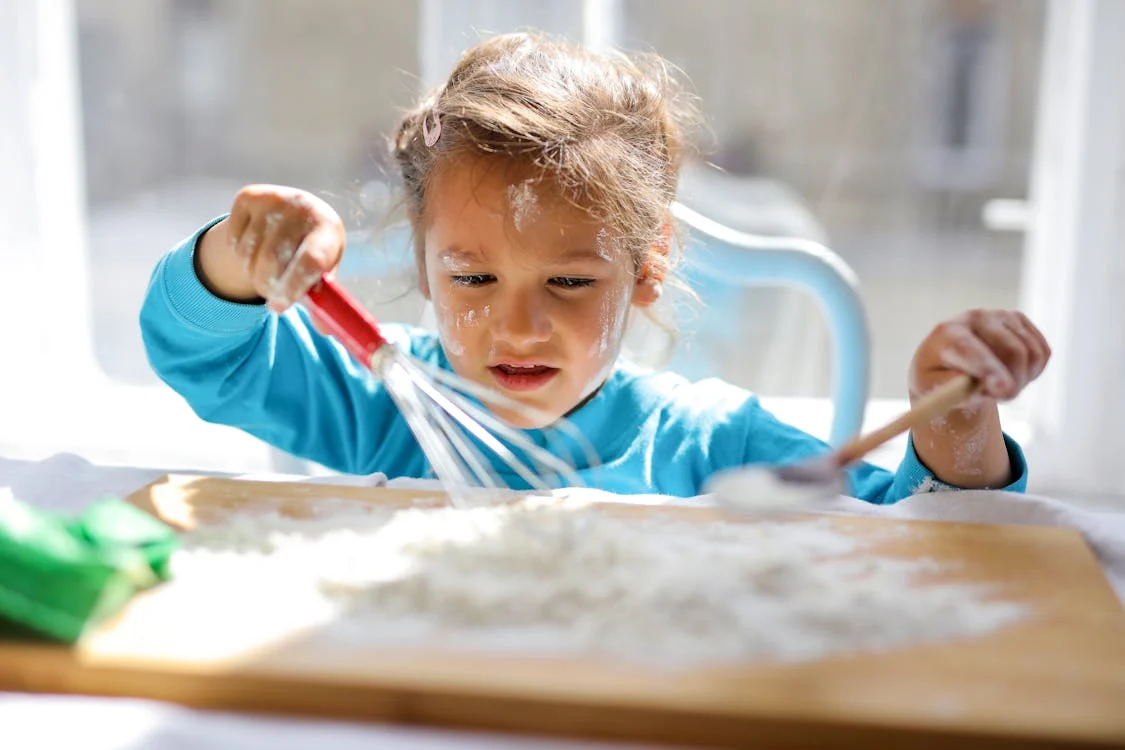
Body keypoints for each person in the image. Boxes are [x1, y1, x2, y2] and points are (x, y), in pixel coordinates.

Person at [139, 32, 1050, 501]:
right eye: (472, 278)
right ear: (422, 266)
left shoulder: (713, 444)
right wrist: (239, 254)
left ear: (647, 271)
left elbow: (912, 527)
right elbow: (206, 354)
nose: (519, 325)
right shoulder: (390, 406)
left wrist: (957, 427)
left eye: (569, 283)